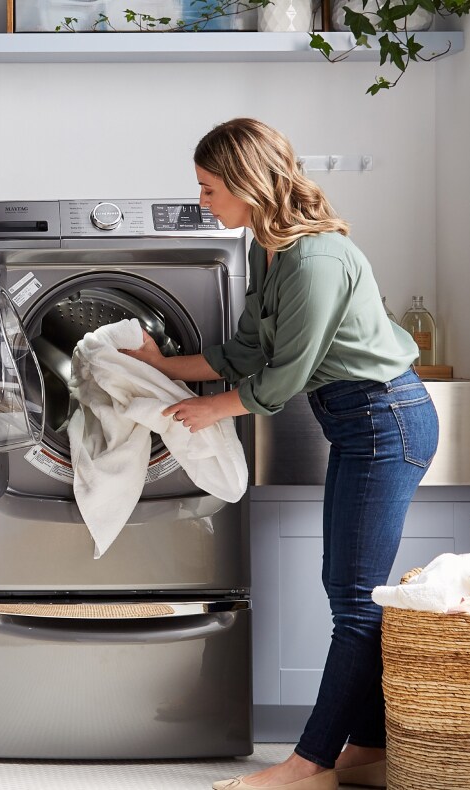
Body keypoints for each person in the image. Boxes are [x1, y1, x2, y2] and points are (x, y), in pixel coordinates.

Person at [121, 118, 439, 790]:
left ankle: (309, 764)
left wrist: (214, 406)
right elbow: (243, 353)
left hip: (387, 420)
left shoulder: (316, 259)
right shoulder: (266, 251)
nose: (203, 201)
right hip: (359, 422)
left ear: (246, 183)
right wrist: (162, 362)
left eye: (209, 189)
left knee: (355, 600)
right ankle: (372, 747)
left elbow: (285, 375)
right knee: (354, 594)